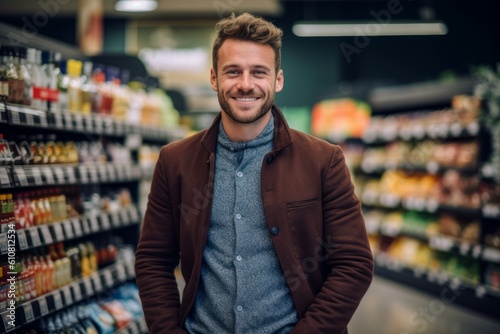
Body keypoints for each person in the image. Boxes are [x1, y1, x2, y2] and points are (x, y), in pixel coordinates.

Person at [135, 12, 373, 334]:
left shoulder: (323, 161)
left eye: (258, 72)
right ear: (214, 78)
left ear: (278, 80)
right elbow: (152, 260)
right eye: (233, 71)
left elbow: (354, 265)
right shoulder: (175, 161)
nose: (245, 84)